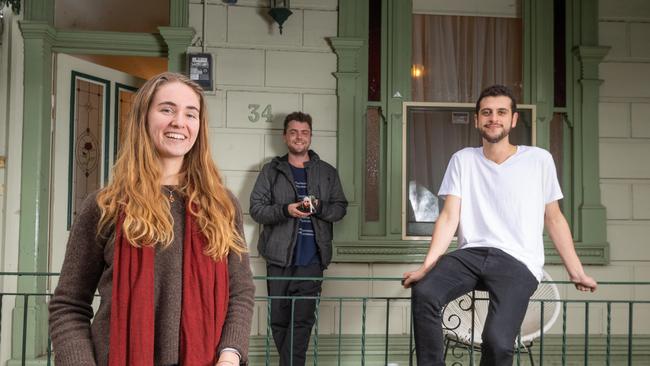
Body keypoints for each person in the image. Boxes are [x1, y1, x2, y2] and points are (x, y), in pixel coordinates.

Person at [49, 72, 255, 366]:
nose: (179, 122)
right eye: (167, 109)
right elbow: (68, 305)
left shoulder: (222, 205)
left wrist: (231, 354)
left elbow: (241, 292)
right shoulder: (104, 206)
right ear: (144, 117)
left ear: (200, 127)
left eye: (191, 114)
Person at [402, 85, 597, 366]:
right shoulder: (463, 159)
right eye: (487, 112)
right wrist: (426, 266)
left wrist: (577, 272)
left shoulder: (538, 160)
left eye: (501, 112)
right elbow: (449, 217)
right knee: (425, 293)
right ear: (477, 119)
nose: (494, 118)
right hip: (471, 255)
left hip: (518, 261)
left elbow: (553, 217)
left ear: (514, 119)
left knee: (498, 342)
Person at [250, 111, 347, 366]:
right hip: (279, 259)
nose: (299, 137)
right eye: (293, 132)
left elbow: (340, 208)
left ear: (311, 136)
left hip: (312, 259)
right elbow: (256, 209)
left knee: (302, 322)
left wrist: (319, 206)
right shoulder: (271, 171)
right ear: (285, 136)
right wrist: (286, 210)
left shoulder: (327, 172)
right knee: (279, 320)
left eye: (304, 132)